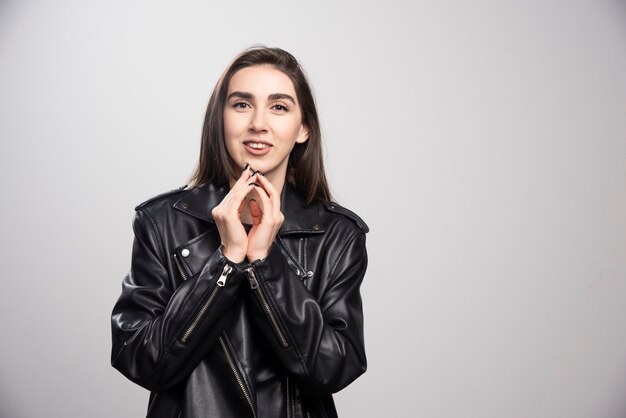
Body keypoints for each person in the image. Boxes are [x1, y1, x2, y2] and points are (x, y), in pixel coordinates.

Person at [111, 46, 369, 418]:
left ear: (303, 128)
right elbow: (142, 361)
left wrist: (264, 263)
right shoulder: (161, 222)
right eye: (242, 105)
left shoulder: (338, 234)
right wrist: (227, 260)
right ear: (221, 120)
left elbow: (332, 369)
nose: (259, 124)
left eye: (279, 107)